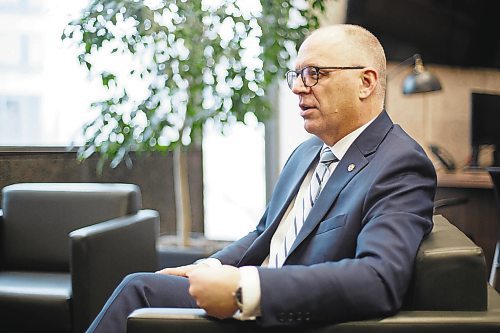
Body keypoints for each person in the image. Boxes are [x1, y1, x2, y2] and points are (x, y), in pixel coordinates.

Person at [86, 24, 436, 332]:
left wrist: (244, 289)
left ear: (366, 82)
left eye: (315, 73)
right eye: (297, 75)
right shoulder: (307, 152)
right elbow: (264, 234)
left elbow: (379, 280)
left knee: (139, 293)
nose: (299, 88)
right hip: (248, 296)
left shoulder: (400, 163)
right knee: (141, 289)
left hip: (283, 313)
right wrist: (209, 266)